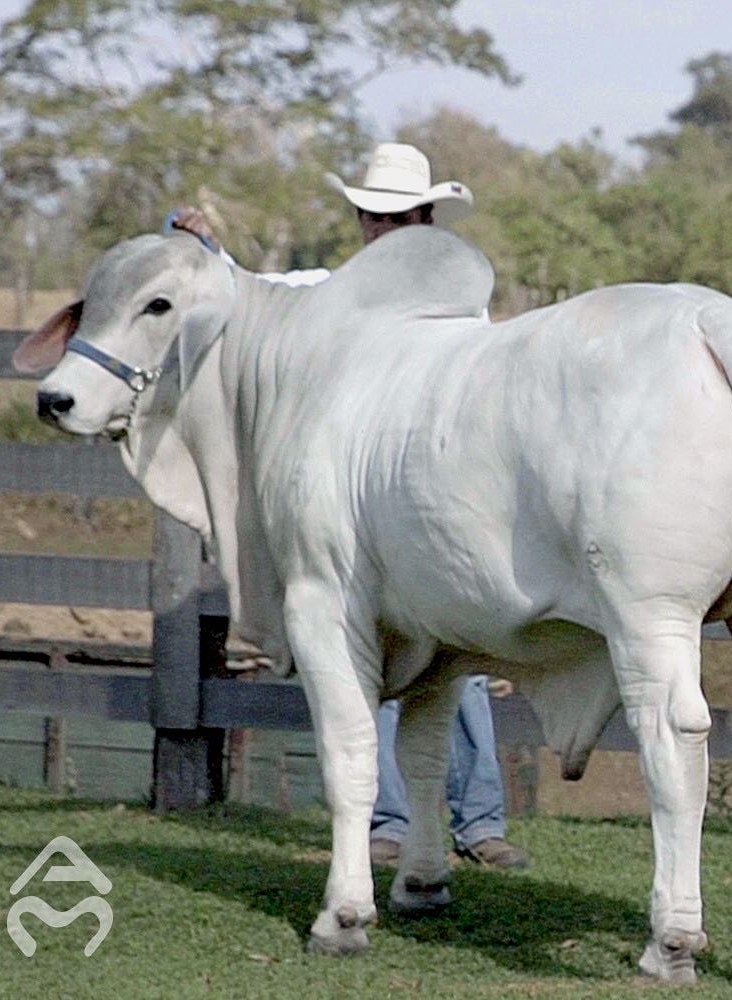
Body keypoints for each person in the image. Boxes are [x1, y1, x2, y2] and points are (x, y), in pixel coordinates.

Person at [173, 142, 528, 870]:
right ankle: (393, 823)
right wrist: (210, 251)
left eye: (399, 216)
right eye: (375, 215)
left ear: (427, 217)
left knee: (457, 661)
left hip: (436, 496)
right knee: (375, 650)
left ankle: (480, 821)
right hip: (363, 501)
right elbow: (255, 291)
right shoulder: (332, 291)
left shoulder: (461, 300)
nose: (384, 229)